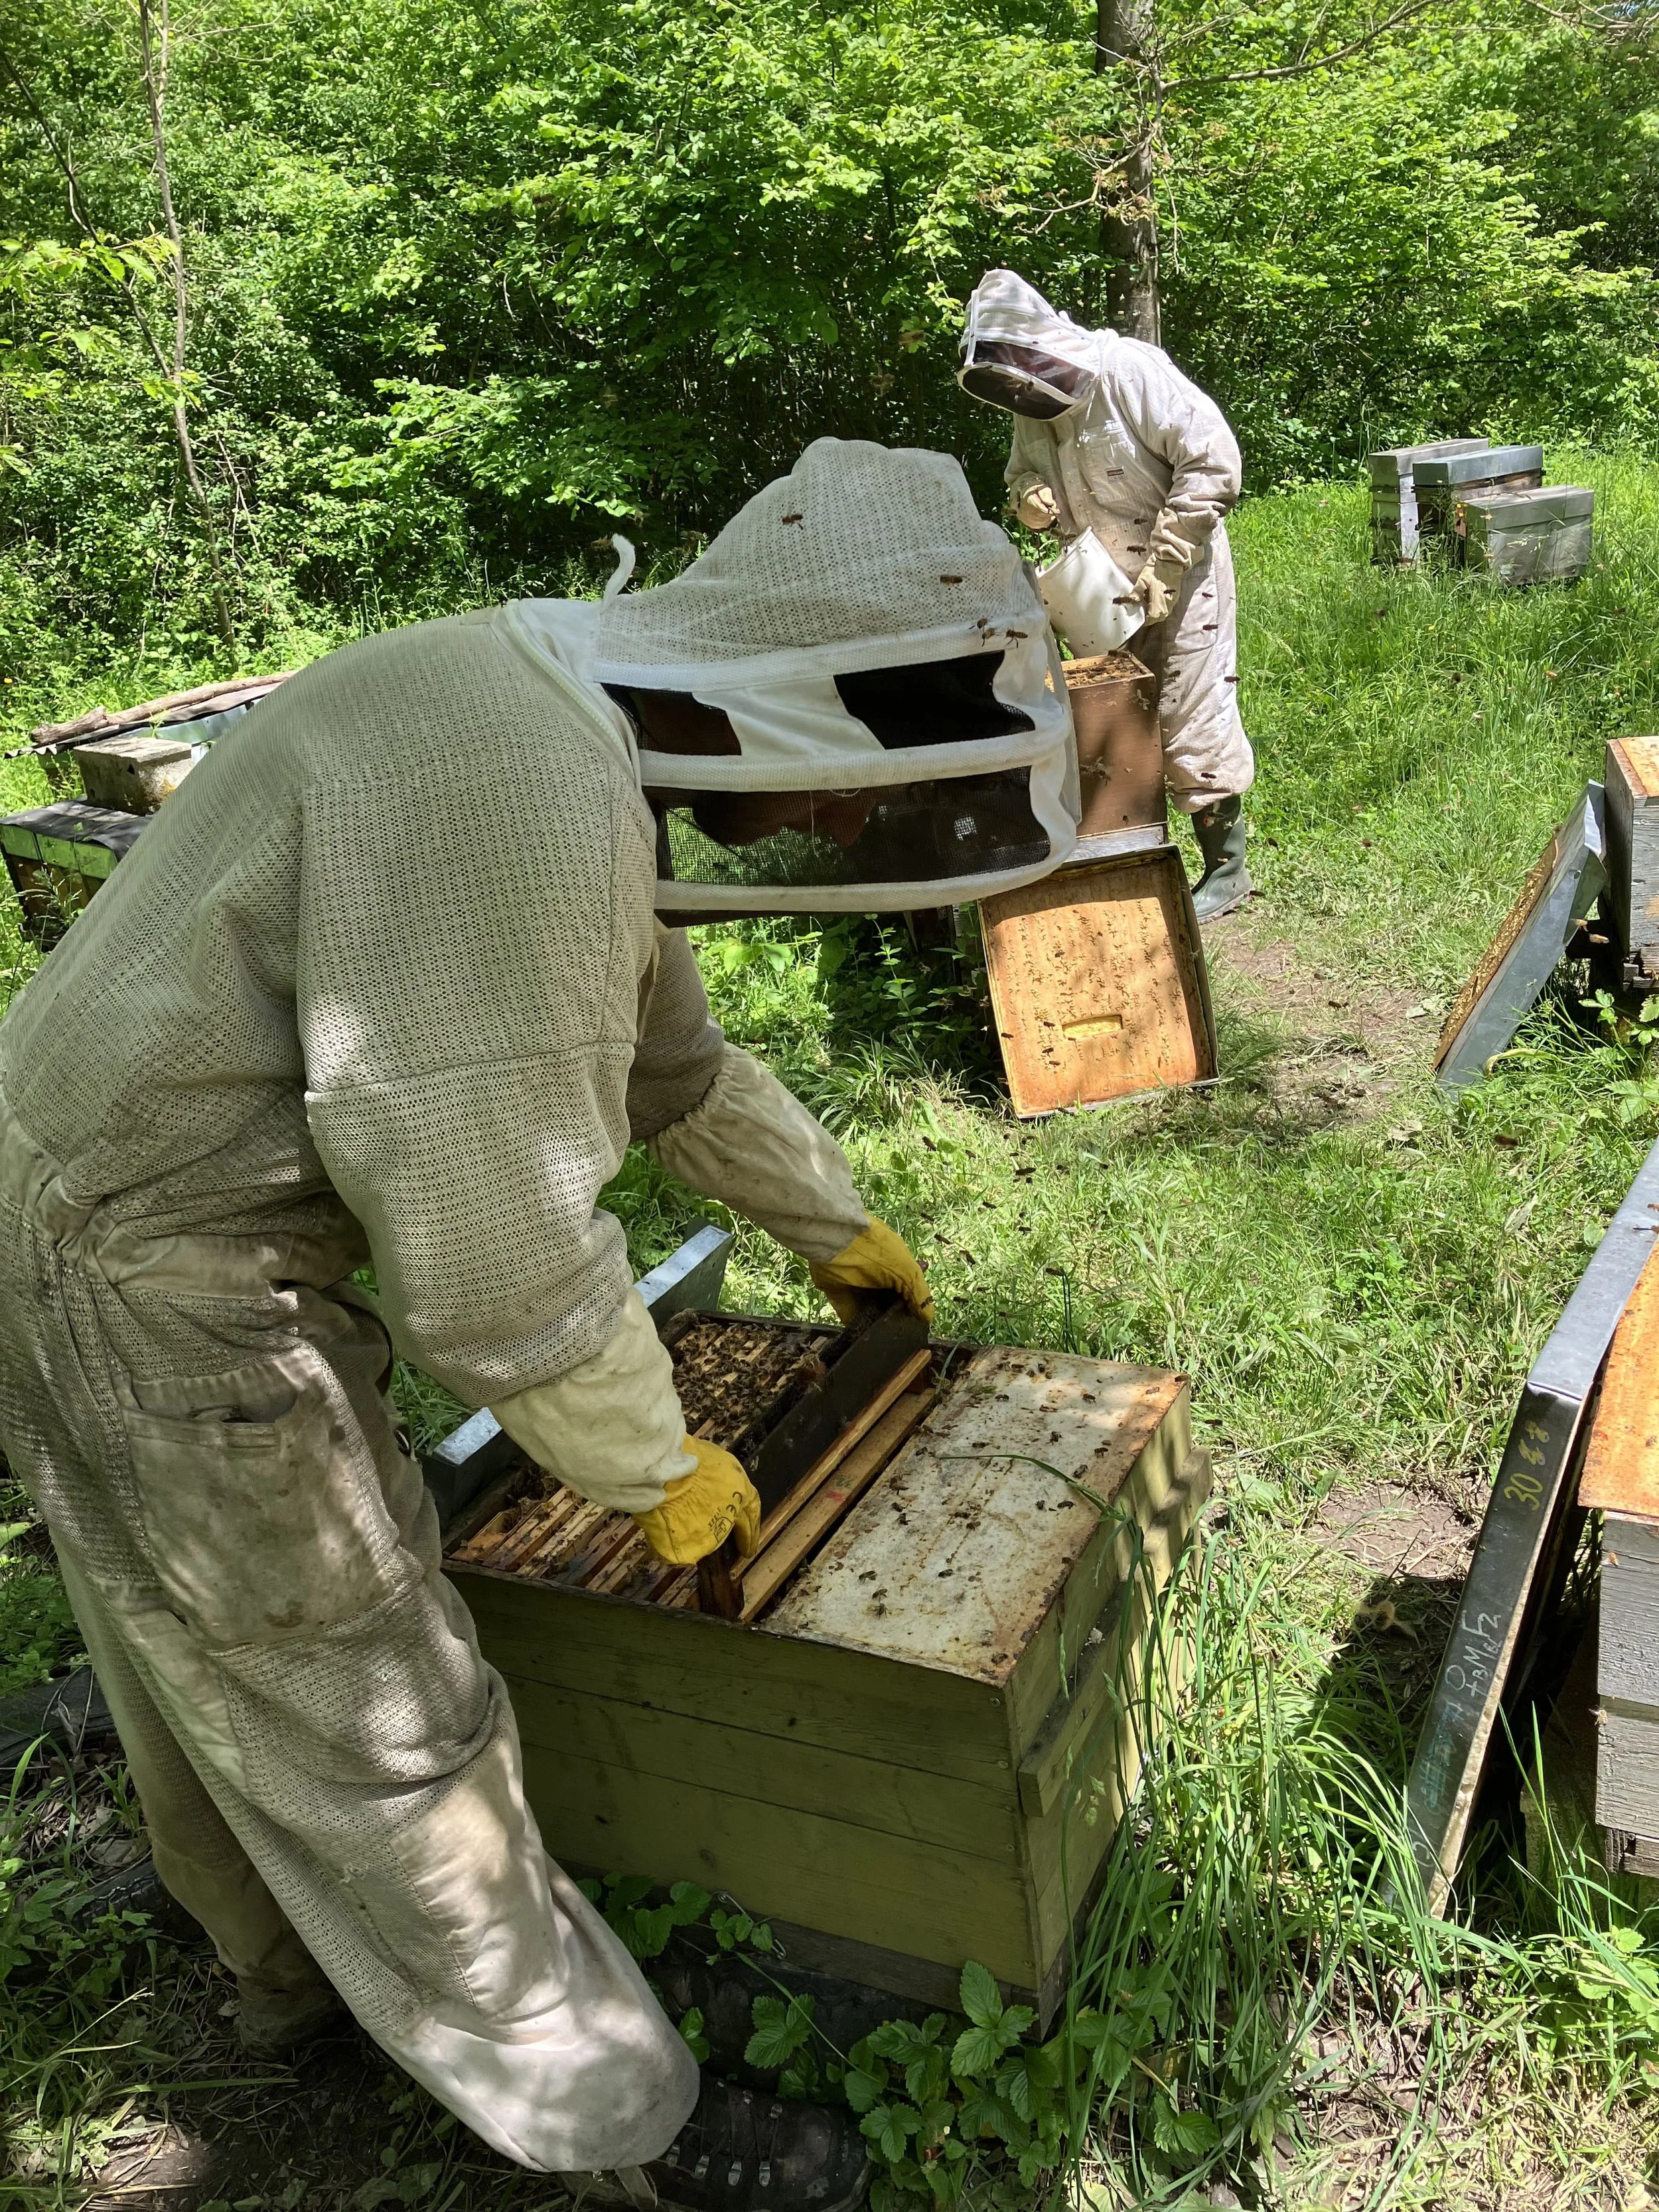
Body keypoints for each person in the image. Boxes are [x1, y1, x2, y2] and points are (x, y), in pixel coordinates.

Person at [0, 440, 1076, 2209]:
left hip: (100, 1194)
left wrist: (832, 1224)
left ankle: (282, 1989)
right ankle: (609, 2124)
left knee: (193, 1632)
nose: (833, 824)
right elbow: (489, 1248)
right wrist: (654, 1463)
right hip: (148, 1256)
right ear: (797, 688)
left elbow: (674, 1071)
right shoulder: (524, 788)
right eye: (852, 781)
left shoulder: (571, 724)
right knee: (374, 1699)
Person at [958, 267, 1256, 921]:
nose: (1018, 394)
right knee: (1113, 710)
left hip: (1182, 571)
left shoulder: (1128, 372)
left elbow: (1213, 460)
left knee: (1187, 710)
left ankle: (1226, 870)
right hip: (1099, 584)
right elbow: (1022, 473)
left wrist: (1167, 565)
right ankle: (1138, 849)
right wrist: (1029, 496)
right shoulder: (1032, 405)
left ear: (1043, 351)